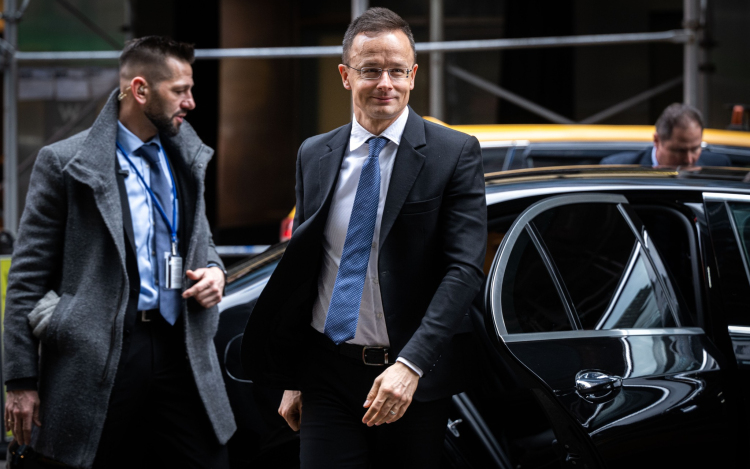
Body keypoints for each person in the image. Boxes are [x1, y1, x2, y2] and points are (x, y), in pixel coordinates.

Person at [242, 7, 487, 469]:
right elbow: (306, 270)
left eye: (397, 71)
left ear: (413, 75)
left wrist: (411, 365)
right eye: (371, 70)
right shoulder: (314, 154)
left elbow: (464, 270)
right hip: (326, 370)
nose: (385, 84)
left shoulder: (453, 153)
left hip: (409, 373)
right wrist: (295, 375)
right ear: (345, 76)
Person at [2, 36, 235, 468]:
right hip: (99, 354)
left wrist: (215, 271)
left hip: (179, 347)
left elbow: (202, 242)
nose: (191, 102)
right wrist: (20, 380)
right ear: (140, 90)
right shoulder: (65, 163)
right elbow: (26, 278)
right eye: (180, 90)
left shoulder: (186, 157)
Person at [600, 103, 731, 167]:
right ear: (657, 141)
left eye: (695, 148)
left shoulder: (718, 166)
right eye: (680, 150)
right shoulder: (617, 169)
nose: (689, 160)